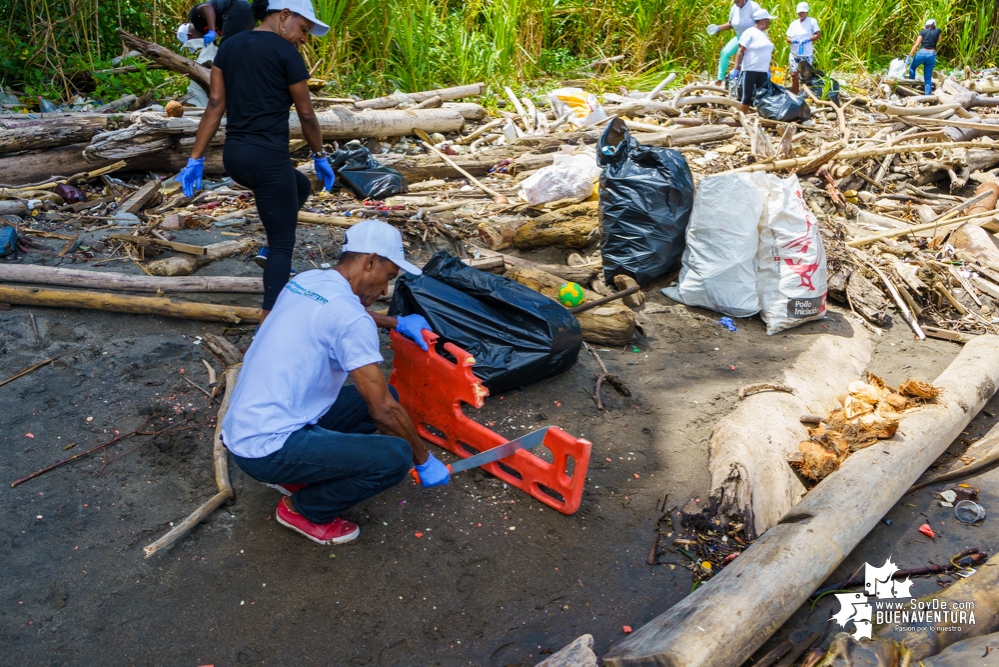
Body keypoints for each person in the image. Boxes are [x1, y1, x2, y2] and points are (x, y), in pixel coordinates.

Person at [222, 219, 450, 546]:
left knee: (386, 396)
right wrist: (424, 460)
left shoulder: (309, 280)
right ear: (370, 261)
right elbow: (383, 411)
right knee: (397, 455)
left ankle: (307, 471)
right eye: (387, 278)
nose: (385, 290)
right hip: (264, 448)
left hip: (245, 426)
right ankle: (304, 510)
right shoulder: (350, 318)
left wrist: (394, 322)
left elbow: (341, 313)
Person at [178, 0, 336, 321]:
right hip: (267, 160)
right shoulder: (286, 54)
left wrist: (194, 159)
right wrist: (320, 155)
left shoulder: (230, 45)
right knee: (283, 245)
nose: (304, 38)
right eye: (304, 30)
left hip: (236, 158)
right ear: (285, 15)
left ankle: (268, 255)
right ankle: (269, 326)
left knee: (300, 186)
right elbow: (306, 113)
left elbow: (215, 105)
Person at [732, 8, 776, 114]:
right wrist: (736, 68)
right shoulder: (749, 32)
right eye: (768, 20)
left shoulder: (763, 34)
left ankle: (760, 120)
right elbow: (740, 51)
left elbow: (765, 53)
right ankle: (742, 121)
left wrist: (768, 69)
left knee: (763, 97)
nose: (769, 23)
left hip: (763, 71)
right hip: (750, 70)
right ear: (762, 22)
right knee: (746, 98)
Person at [709, 0, 762, 86]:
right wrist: (718, 28)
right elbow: (731, 24)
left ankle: (748, 83)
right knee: (725, 52)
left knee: (745, 61)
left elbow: (761, 23)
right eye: (734, 2)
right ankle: (719, 80)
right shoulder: (734, 8)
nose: (736, 3)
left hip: (751, 39)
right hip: (739, 37)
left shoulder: (753, 7)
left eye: (737, 1)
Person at [176, 0, 255, 46]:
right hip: (249, 15)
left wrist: (212, 31)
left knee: (227, 48)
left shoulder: (195, 18)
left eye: (194, 41)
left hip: (237, 9)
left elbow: (207, 7)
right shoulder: (204, 32)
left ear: (190, 35)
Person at [785, 2, 820, 95]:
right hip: (794, 54)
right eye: (799, 13)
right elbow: (787, 37)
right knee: (794, 76)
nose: (801, 14)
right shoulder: (794, 24)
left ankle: (806, 95)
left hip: (806, 54)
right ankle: (795, 96)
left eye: (803, 12)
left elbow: (817, 34)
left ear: (807, 12)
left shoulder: (812, 21)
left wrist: (808, 39)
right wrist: (792, 40)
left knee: (806, 77)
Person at [907, 18, 941, 96]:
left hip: (921, 53)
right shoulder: (938, 31)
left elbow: (916, 44)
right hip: (931, 54)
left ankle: (911, 86)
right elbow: (939, 40)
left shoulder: (923, 32)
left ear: (926, 25)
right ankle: (927, 96)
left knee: (912, 68)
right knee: (928, 78)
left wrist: (910, 55)